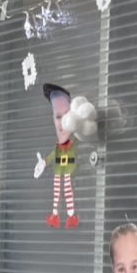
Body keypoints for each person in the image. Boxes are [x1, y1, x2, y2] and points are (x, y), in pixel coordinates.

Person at [33, 83, 80, 228]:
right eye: (58, 116)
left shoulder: (74, 143)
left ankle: (71, 216)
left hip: (68, 170)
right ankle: (55, 215)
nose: (63, 123)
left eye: (67, 116)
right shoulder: (58, 148)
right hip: (59, 170)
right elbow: (53, 155)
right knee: (57, 191)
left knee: (67, 190)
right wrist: (44, 163)